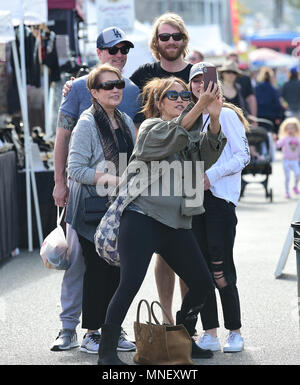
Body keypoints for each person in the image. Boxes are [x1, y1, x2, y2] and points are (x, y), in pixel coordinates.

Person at [97, 75, 227, 365]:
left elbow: (204, 159)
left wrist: (214, 120)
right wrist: (199, 107)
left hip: (175, 223)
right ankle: (106, 352)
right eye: (173, 95)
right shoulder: (150, 128)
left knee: (203, 283)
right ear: (158, 103)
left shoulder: (188, 132)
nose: (181, 99)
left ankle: (182, 339)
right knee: (129, 283)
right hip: (142, 217)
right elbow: (172, 136)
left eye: (184, 95)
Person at [51, 27, 138, 353]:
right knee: (80, 265)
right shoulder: (77, 91)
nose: (119, 55)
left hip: (117, 204)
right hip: (87, 201)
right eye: (112, 49)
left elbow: (133, 150)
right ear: (99, 51)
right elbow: (64, 140)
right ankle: (73, 328)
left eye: (124, 50)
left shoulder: (130, 96)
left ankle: (109, 327)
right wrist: (60, 183)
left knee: (114, 265)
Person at [130, 12, 194, 324]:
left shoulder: (197, 74)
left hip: (193, 172)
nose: (170, 42)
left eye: (176, 36)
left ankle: (188, 324)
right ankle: (168, 320)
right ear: (156, 42)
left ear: (184, 39)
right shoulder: (144, 74)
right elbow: (110, 93)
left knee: (191, 250)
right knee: (164, 254)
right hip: (156, 174)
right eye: (164, 37)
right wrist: (76, 85)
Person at [188, 62, 250, 353]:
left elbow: (243, 156)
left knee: (220, 266)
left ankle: (234, 330)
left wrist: (210, 178)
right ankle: (209, 331)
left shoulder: (225, 114)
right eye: (195, 81)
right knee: (200, 270)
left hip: (220, 200)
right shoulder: (188, 118)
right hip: (192, 202)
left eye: (205, 80)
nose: (201, 85)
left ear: (216, 85)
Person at [226, 52, 257, 121]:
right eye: (228, 72)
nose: (231, 74)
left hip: (241, 117)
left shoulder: (244, 79)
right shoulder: (219, 82)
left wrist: (253, 117)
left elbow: (251, 98)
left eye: (235, 62)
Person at [255, 66, 284, 135]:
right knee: (270, 136)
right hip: (271, 117)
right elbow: (277, 104)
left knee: (260, 135)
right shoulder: (273, 89)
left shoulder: (256, 88)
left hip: (259, 116)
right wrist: (279, 116)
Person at [276, 117, 300, 199]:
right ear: (285, 129)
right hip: (286, 160)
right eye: (288, 128)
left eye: (292, 128)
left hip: (295, 161)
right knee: (287, 177)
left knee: (297, 174)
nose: (290, 130)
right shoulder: (285, 139)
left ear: (296, 129)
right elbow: (278, 145)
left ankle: (295, 186)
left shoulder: (298, 140)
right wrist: (274, 140)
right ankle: (287, 192)